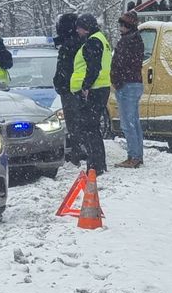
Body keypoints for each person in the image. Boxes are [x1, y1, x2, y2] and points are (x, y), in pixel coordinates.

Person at [70, 13, 112, 175]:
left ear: (86, 28)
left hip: (94, 89)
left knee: (89, 128)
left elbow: (93, 67)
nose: (78, 31)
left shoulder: (93, 41)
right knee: (93, 127)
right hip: (101, 88)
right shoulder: (101, 39)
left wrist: (86, 87)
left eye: (79, 28)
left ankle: (94, 165)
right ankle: (98, 164)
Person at [112, 10, 144, 168]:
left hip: (127, 85)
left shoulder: (127, 41)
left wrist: (117, 80)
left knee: (128, 123)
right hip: (135, 83)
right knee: (134, 122)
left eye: (122, 25)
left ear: (127, 25)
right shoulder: (136, 39)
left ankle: (134, 156)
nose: (120, 28)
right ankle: (137, 154)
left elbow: (121, 63)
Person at [53, 12, 84, 164]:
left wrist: (58, 83)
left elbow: (63, 70)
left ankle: (77, 152)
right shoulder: (79, 42)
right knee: (78, 121)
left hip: (70, 89)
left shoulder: (68, 46)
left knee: (73, 122)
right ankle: (80, 149)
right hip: (76, 87)